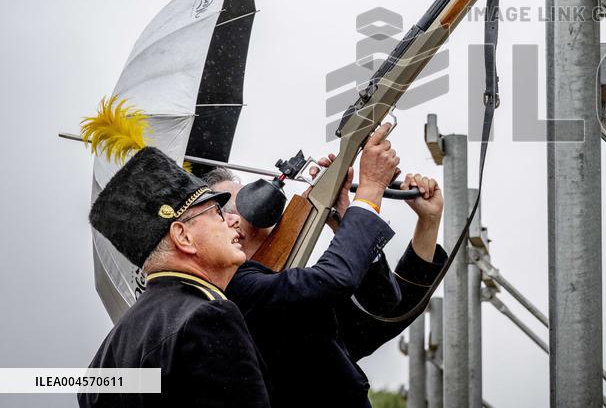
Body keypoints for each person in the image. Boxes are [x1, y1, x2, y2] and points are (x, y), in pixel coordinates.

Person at [212, 123, 446, 408]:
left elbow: (382, 311)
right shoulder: (235, 292)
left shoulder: (281, 297)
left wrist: (425, 223)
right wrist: (370, 190)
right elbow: (335, 280)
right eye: (226, 208)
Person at [79, 145, 271, 407]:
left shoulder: (105, 356)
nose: (231, 220)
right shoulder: (209, 316)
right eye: (217, 212)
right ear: (183, 236)